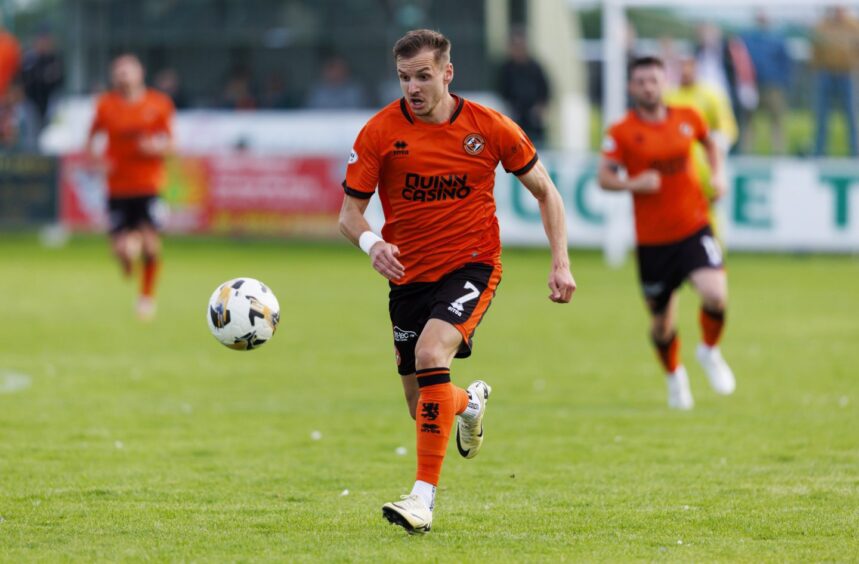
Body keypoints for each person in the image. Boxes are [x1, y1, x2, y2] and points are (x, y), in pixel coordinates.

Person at [338, 29, 576, 533]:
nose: (413, 88)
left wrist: (561, 263)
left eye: (423, 76)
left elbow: (547, 193)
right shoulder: (380, 132)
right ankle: (470, 403)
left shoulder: (489, 127)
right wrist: (372, 244)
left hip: (472, 265)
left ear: (448, 73)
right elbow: (348, 216)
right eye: (404, 78)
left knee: (430, 356)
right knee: (420, 403)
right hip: (408, 278)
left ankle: (422, 500)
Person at [598, 56, 736, 410]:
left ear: (664, 83)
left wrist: (718, 176)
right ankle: (676, 377)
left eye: (654, 80)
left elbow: (710, 144)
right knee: (661, 325)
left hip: (694, 226)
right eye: (641, 81)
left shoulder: (688, 117)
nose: (648, 87)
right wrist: (633, 182)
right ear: (632, 87)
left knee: (715, 294)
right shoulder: (621, 132)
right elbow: (604, 177)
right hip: (653, 242)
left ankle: (709, 350)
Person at [87, 54, 175, 320]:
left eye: (128, 71)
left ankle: (146, 298)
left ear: (140, 73)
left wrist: (155, 148)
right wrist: (98, 161)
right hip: (117, 188)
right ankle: (127, 260)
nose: (123, 76)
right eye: (119, 72)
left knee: (151, 245)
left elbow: (171, 144)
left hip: (148, 185)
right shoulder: (105, 105)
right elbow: (91, 141)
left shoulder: (158, 104)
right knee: (121, 251)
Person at [665, 56, 738, 240]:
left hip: (703, 167)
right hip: (673, 168)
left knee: (706, 212)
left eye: (689, 66)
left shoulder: (711, 95)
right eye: (681, 66)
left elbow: (727, 128)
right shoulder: (668, 96)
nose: (685, 71)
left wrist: (717, 157)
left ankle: (713, 257)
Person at [741, 11, 792, 154]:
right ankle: (746, 154)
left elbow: (786, 64)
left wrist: (783, 82)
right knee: (748, 121)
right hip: (752, 85)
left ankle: (779, 153)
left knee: (777, 121)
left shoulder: (778, 39)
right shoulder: (747, 38)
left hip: (773, 85)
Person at [811, 6, 859, 157]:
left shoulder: (854, 26)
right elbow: (815, 50)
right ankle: (819, 151)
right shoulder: (822, 26)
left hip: (846, 74)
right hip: (826, 73)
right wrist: (816, 68)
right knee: (822, 114)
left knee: (851, 115)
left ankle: (855, 152)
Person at [497, 28, 550, 145]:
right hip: (514, 116)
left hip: (534, 119)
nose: (518, 50)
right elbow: (501, 91)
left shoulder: (535, 67)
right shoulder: (506, 69)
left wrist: (541, 108)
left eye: (521, 46)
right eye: (515, 46)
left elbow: (545, 90)